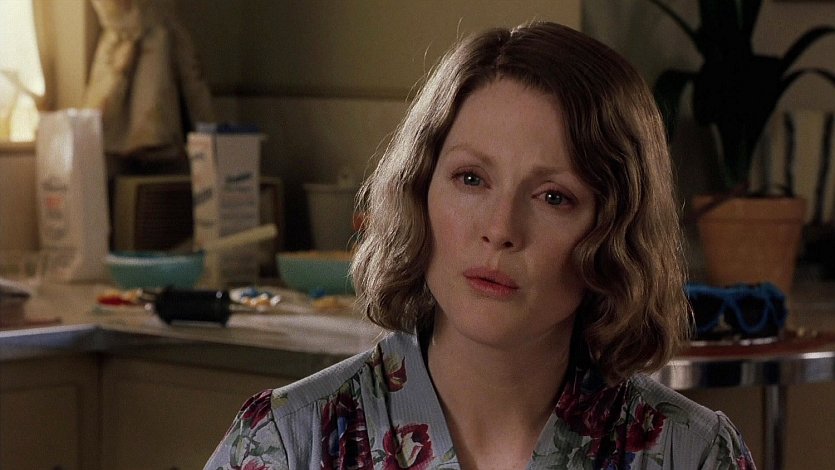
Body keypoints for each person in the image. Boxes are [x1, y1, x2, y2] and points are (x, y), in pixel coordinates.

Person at [205, 21, 757, 469]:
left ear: (614, 232)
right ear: (421, 189)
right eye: (471, 179)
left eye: (554, 197)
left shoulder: (692, 454)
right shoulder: (287, 445)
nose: (500, 228)